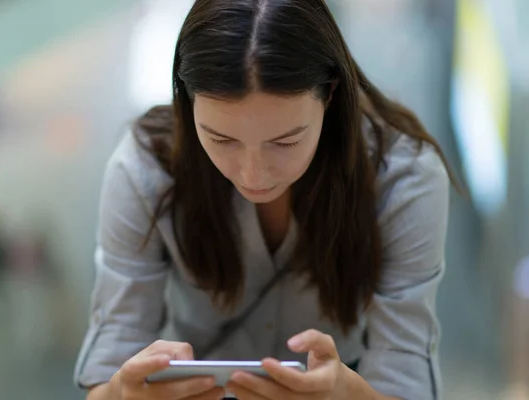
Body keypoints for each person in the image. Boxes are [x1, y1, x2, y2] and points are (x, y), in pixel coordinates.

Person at [75, 0, 455, 399]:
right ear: (186, 101)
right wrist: (123, 392)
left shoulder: (404, 177)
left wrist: (349, 393)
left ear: (330, 93)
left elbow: (404, 376)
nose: (253, 175)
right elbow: (108, 366)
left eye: (285, 141)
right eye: (221, 140)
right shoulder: (147, 168)